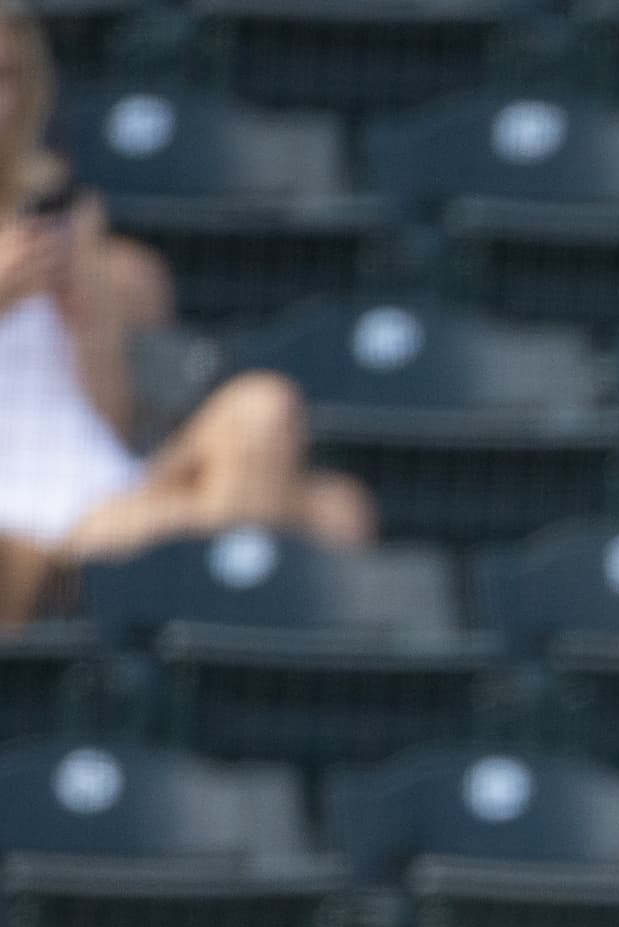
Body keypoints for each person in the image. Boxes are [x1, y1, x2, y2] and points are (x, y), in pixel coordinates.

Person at [0, 1, 369, 622]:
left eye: (7, 77)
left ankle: (196, 642)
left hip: (96, 494)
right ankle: (209, 644)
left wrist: (88, 316)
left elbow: (109, 425)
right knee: (329, 518)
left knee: (264, 411)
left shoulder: (63, 222)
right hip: (14, 522)